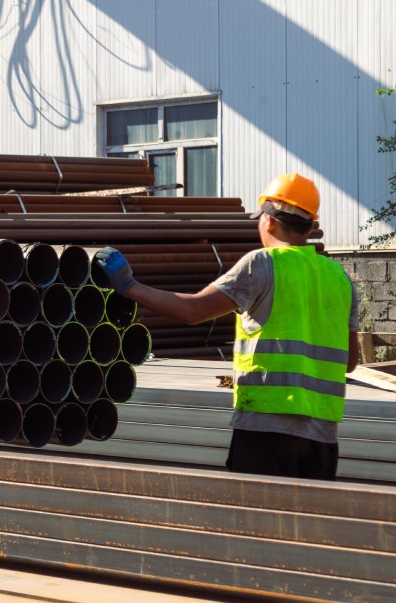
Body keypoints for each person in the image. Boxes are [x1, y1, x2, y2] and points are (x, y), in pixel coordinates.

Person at [94, 173, 359, 481]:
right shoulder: (340, 278)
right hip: (322, 438)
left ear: (269, 222)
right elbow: (349, 362)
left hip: (266, 431)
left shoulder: (262, 264)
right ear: (310, 226)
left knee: (255, 526)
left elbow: (191, 310)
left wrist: (129, 286)